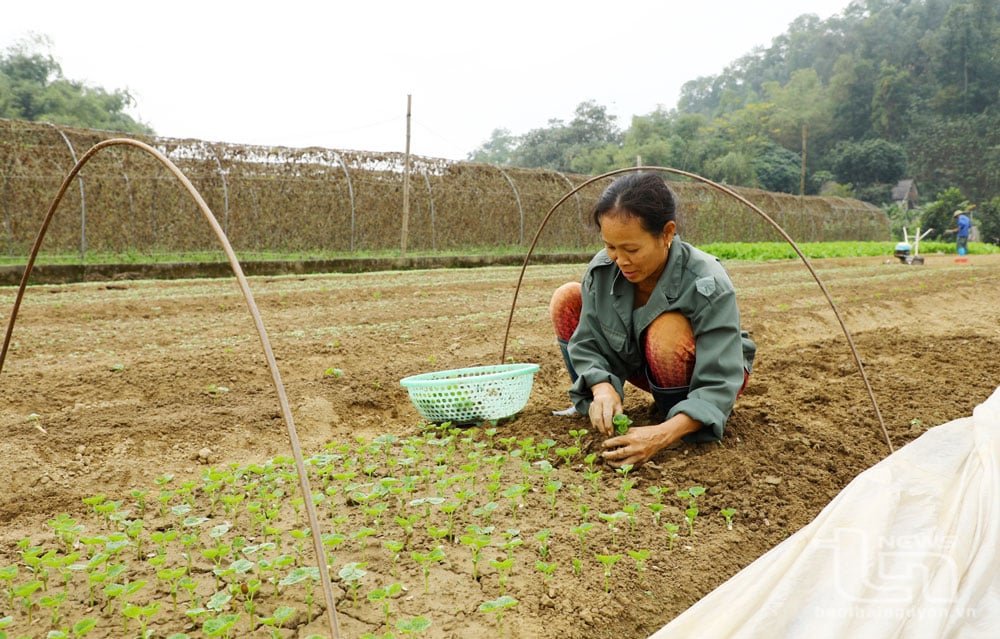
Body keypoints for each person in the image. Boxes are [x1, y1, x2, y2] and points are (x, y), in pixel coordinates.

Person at [550, 172, 755, 468]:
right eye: (610, 247)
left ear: (667, 233)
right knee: (567, 298)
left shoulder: (706, 280)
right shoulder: (603, 270)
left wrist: (659, 436)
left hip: (710, 369)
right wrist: (601, 387)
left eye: (631, 249)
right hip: (645, 365)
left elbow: (720, 379)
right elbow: (589, 341)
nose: (620, 260)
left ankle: (678, 421)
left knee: (665, 330)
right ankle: (601, 409)